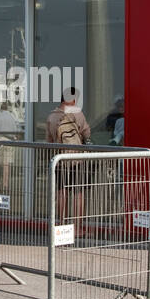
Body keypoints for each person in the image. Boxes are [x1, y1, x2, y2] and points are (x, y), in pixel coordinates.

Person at [45, 88, 92, 228]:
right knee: (78, 193)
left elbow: (49, 140)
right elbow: (87, 134)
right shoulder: (78, 114)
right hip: (76, 158)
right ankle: (77, 227)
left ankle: (62, 225)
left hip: (59, 159)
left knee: (61, 191)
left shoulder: (51, 117)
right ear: (73, 100)